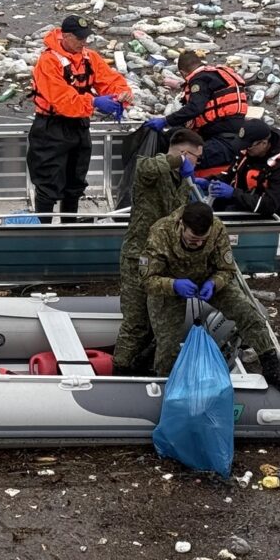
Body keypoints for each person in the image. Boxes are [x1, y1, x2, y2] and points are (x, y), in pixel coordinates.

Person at [142, 201, 280, 393]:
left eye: (202, 240)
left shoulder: (217, 229)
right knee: (167, 343)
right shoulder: (160, 233)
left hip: (208, 280)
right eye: (192, 239)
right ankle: (165, 382)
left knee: (247, 312)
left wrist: (215, 282)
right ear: (182, 225)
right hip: (170, 285)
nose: (197, 243)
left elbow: (227, 269)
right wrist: (173, 285)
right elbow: (147, 280)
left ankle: (271, 366)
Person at [113, 127, 205, 374]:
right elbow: (146, 169)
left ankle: (145, 368)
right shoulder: (150, 169)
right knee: (135, 323)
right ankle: (119, 371)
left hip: (163, 262)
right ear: (185, 154)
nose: (197, 164)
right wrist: (179, 161)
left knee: (161, 327)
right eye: (196, 158)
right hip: (138, 256)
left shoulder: (183, 183)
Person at [26, 14, 133, 222]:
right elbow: (63, 100)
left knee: (75, 182)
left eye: (86, 38)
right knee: (48, 183)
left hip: (79, 126)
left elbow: (110, 80)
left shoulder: (88, 58)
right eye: (79, 38)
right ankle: (43, 230)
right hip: (51, 128)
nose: (84, 42)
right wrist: (93, 103)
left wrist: (123, 94)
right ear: (65, 36)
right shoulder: (48, 62)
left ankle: (69, 227)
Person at [145, 50, 249, 177]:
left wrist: (166, 120)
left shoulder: (200, 79)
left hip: (224, 142)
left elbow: (195, 108)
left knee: (184, 159)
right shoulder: (217, 75)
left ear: (183, 73)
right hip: (224, 134)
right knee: (173, 134)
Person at [216, 119, 280, 219]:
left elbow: (270, 205)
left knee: (225, 216)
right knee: (215, 203)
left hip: (275, 213)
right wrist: (209, 181)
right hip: (246, 199)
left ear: (263, 143)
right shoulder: (250, 151)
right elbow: (230, 174)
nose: (245, 149)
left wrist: (233, 194)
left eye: (249, 146)